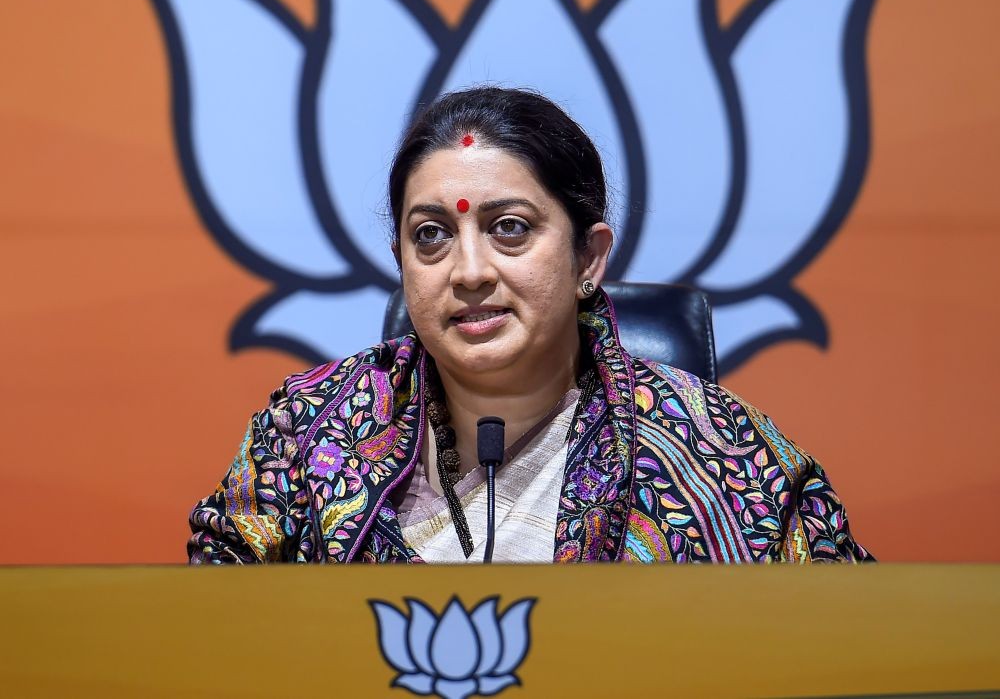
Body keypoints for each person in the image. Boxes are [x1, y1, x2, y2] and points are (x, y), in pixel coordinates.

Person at [188, 87, 872, 564]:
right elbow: (205, 636)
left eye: (508, 228)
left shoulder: (722, 453)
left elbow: (851, 647)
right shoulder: (304, 434)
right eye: (431, 236)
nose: (469, 271)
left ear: (589, 258)